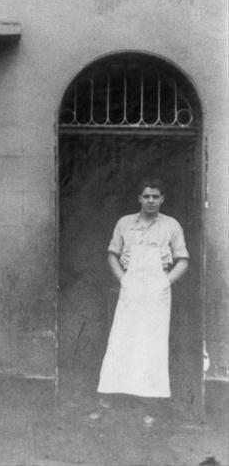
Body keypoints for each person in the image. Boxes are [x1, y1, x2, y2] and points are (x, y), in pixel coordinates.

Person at [90, 178, 189, 428]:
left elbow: (183, 260)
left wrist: (164, 283)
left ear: (162, 199)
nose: (151, 201)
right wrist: (124, 280)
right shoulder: (124, 223)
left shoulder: (171, 225)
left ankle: (150, 406)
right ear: (139, 199)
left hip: (157, 293)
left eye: (156, 196)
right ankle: (107, 400)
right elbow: (112, 255)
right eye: (147, 196)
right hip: (130, 290)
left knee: (152, 345)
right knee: (120, 340)